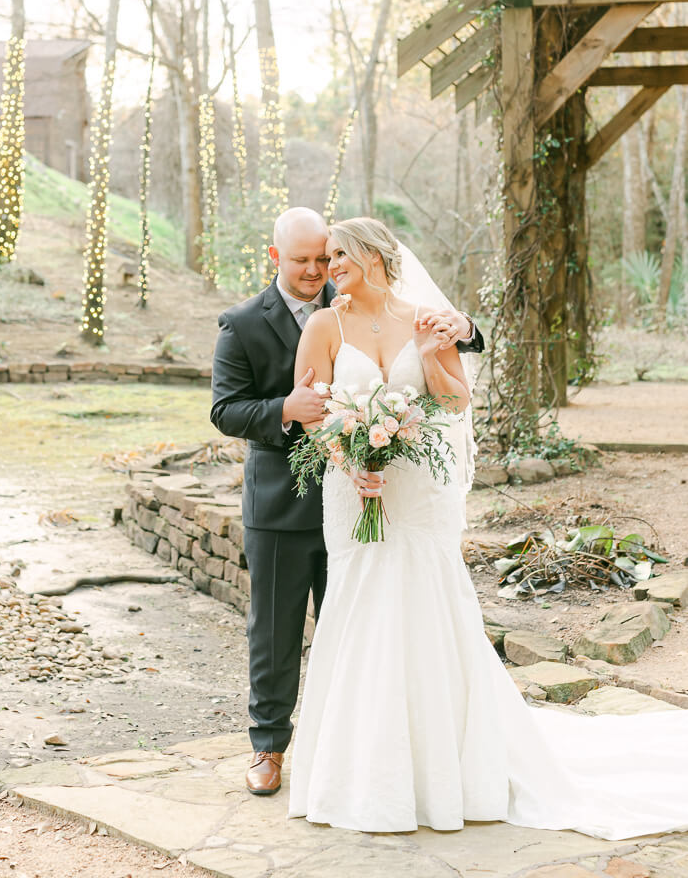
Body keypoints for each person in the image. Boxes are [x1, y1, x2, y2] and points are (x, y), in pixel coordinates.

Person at [287, 216, 688, 839]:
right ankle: (362, 774)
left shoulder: (426, 319)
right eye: (328, 255)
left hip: (419, 497)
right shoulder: (323, 325)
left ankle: (448, 771)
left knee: (429, 610)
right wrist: (348, 462)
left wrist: (428, 357)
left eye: (340, 253)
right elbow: (313, 410)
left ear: (374, 256)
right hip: (354, 494)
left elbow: (453, 402)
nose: (330, 264)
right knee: (362, 608)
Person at [210, 207, 484, 797]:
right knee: (276, 632)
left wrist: (459, 327)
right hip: (288, 502)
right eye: (305, 260)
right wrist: (285, 410)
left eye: (326, 258)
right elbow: (226, 410)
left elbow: (450, 355)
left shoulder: (366, 301)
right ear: (275, 258)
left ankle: (367, 750)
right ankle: (268, 747)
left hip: (387, 502)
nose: (318, 270)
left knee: (368, 632)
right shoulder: (241, 324)